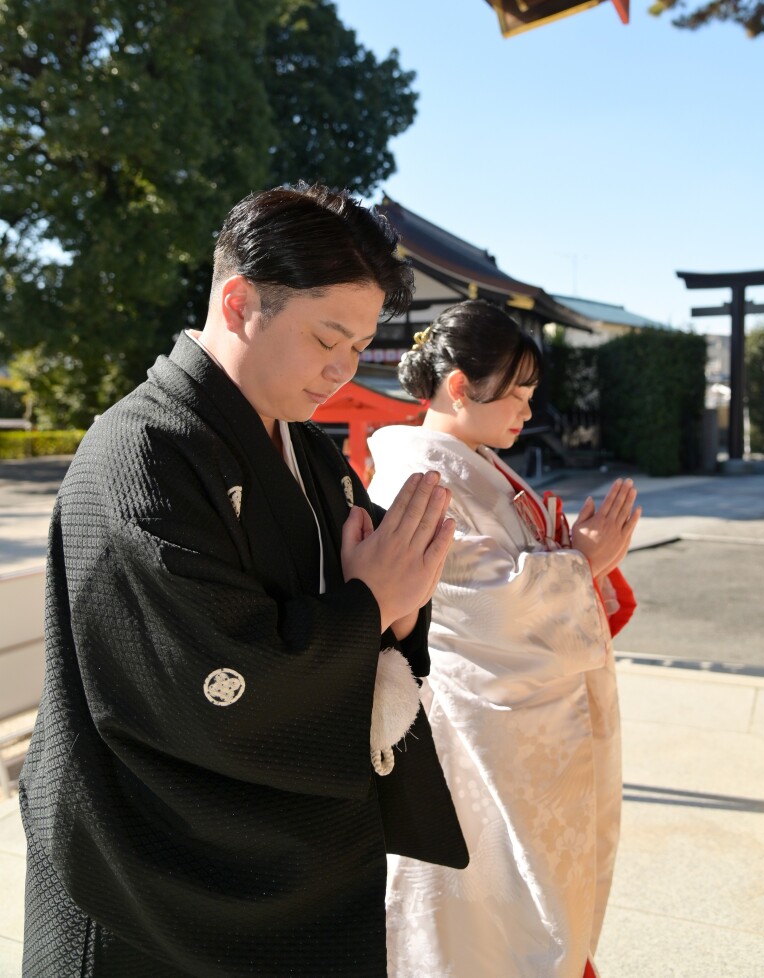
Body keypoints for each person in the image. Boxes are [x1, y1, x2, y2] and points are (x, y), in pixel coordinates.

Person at [20, 185, 467, 978]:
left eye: (360, 346)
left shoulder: (311, 454)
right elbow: (209, 678)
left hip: (282, 862)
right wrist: (371, 607)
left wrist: (396, 604)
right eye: (327, 336)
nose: (342, 368)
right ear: (238, 302)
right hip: (151, 880)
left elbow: (379, 591)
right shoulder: (139, 455)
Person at [368, 300, 641, 978]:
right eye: (516, 392)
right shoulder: (418, 474)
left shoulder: (471, 463)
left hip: (523, 724)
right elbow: (485, 606)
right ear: (459, 386)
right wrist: (582, 564)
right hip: (473, 733)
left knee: (534, 895)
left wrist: (578, 559)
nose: (526, 408)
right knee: (488, 908)